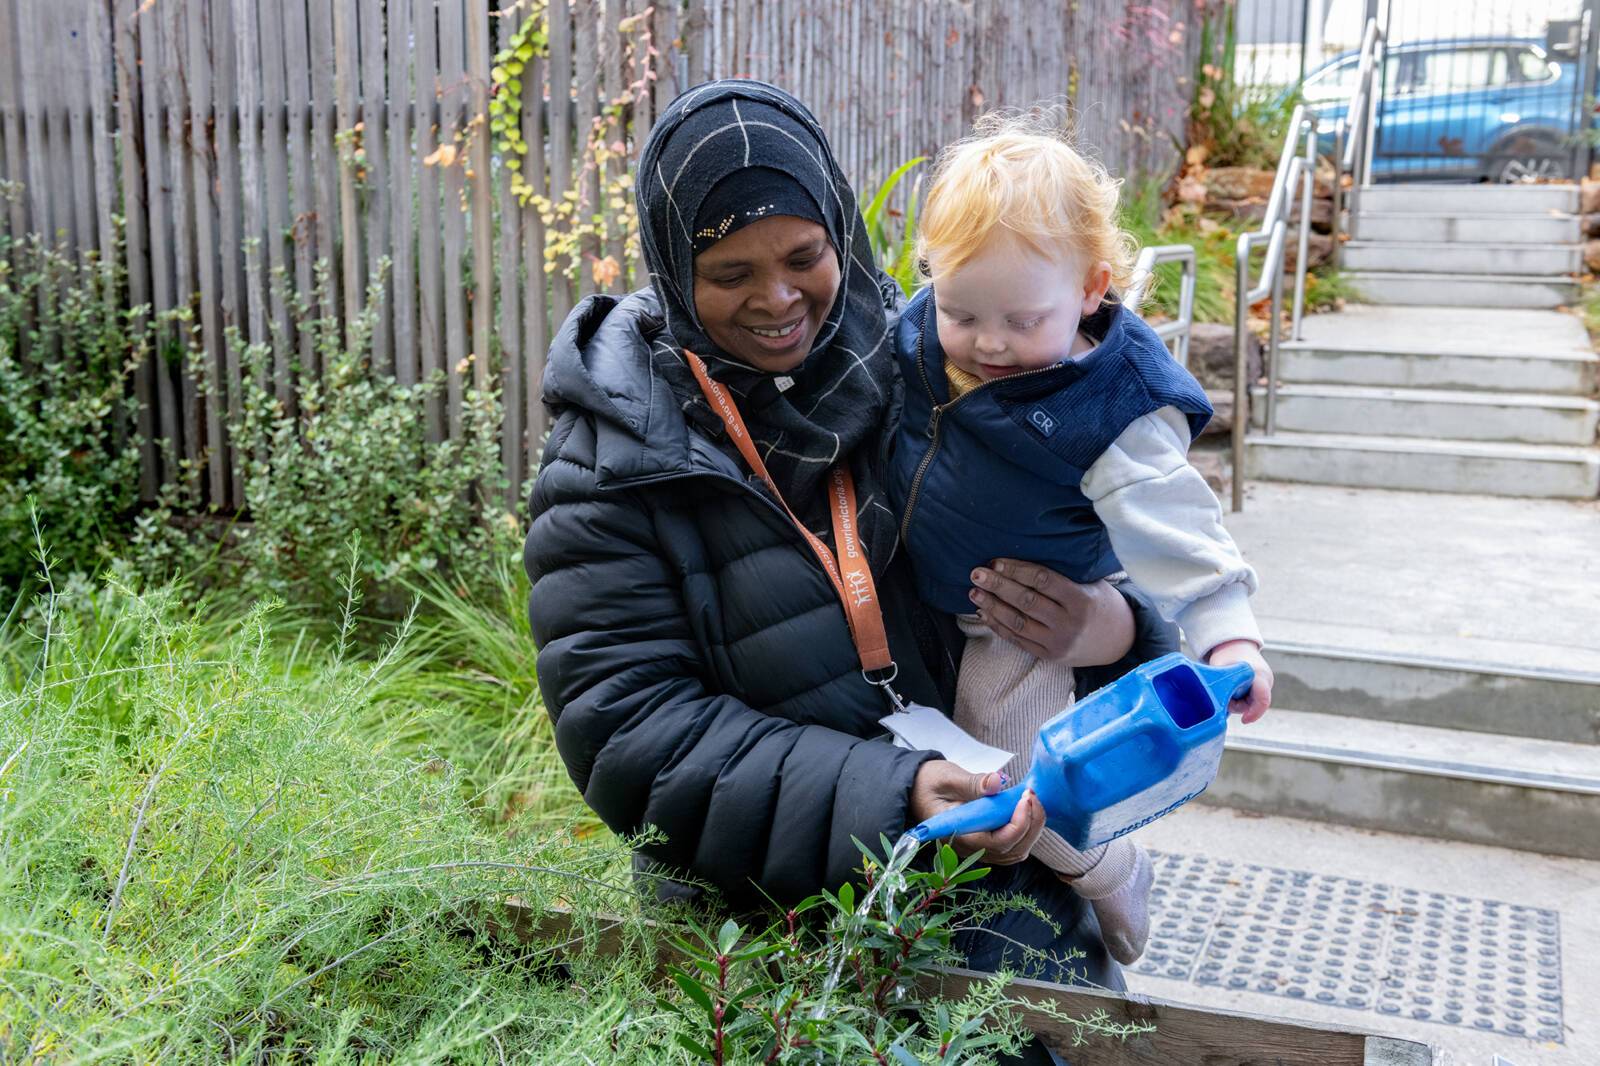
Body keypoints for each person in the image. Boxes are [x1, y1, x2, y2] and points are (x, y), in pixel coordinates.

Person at [522, 80, 1175, 999]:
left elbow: (1100, 540)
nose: (777, 299)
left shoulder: (943, 366)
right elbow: (630, 736)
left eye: (802, 255)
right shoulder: (611, 462)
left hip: (1008, 925)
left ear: (839, 228)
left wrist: (1108, 630)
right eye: (730, 274)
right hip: (768, 958)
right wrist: (892, 796)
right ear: (674, 269)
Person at [889, 113, 1275, 966]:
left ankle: (1111, 873)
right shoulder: (923, 331)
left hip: (1015, 627)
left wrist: (1228, 632)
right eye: (960, 310)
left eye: (1022, 321)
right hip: (923, 596)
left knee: (1024, 797)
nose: (988, 343)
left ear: (1094, 288)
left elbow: (1180, 527)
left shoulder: (1115, 415)